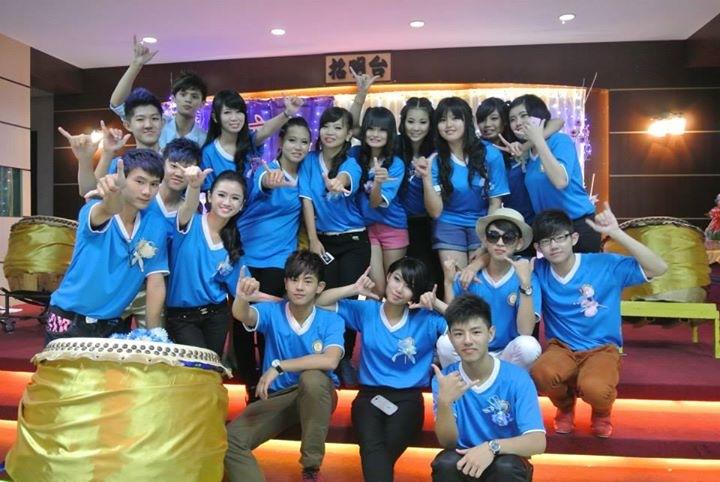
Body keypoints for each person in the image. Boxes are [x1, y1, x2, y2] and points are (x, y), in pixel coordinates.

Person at [529, 205, 667, 438]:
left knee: (595, 389)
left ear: (573, 238)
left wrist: (616, 233)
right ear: (538, 248)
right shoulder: (538, 269)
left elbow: (659, 268)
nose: (554, 246)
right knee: (541, 373)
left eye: (560, 238)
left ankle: (602, 412)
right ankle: (565, 407)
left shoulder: (604, 265)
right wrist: (475, 263)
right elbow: (502, 257)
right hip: (561, 348)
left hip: (601, 348)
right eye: (546, 241)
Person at [316, 258, 447, 482]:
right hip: (369, 396)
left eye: (409, 286)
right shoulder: (368, 310)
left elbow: (466, 323)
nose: (399, 289)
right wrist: (353, 289)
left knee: (380, 449)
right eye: (397, 279)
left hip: (408, 398)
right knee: (372, 445)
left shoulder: (427, 318)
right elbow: (319, 302)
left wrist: (437, 304)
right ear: (387, 277)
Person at [226, 250, 345, 482]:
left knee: (312, 378)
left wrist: (280, 366)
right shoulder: (273, 312)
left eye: (307, 281)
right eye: (293, 279)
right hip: (279, 397)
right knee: (231, 440)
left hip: (317, 395)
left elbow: (330, 360)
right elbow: (243, 315)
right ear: (285, 283)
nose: (299, 287)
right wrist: (241, 297)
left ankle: (311, 468)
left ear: (319, 287)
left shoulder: (331, 320)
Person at [45, 149, 169, 343]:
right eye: (139, 181)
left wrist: (154, 335)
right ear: (121, 179)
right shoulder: (92, 210)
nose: (147, 191)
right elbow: (107, 209)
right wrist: (112, 198)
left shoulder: (155, 225)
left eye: (154, 184)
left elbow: (155, 281)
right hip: (69, 318)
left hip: (114, 323)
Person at [431, 294, 546, 482]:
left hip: (504, 457)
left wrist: (491, 448)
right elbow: (447, 442)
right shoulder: (445, 380)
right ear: (450, 337)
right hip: (465, 459)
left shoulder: (517, 378)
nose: (467, 340)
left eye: (476, 332)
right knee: (446, 463)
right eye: (459, 334)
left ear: (490, 334)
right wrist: (445, 402)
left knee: (506, 467)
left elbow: (537, 441)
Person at [233, 117, 311, 395]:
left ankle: (270, 383)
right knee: (242, 321)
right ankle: (248, 382)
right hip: (247, 255)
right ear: (281, 142)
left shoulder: (307, 175)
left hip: (279, 259)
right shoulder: (266, 170)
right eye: (292, 140)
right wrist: (269, 181)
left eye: (304, 142)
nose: (298, 146)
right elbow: (262, 183)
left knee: (272, 320)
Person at [299, 106, 370, 386]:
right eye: (326, 126)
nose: (330, 132)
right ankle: (325, 354)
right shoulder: (309, 161)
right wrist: (313, 239)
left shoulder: (351, 161)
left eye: (338, 128)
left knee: (348, 302)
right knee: (323, 299)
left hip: (354, 240)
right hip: (323, 240)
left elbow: (346, 178)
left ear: (348, 134)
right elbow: (307, 200)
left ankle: (345, 359)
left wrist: (337, 182)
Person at [421, 97, 509, 289]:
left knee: (481, 285)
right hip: (449, 224)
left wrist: (486, 241)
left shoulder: (491, 154)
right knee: (457, 283)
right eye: (442, 120)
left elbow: (495, 203)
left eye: (455, 118)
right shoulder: (435, 160)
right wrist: (426, 178)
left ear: (467, 121)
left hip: (482, 224)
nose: (448, 125)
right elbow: (435, 212)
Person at [437, 208, 542, 370]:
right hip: (473, 348)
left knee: (529, 346)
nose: (500, 243)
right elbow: (452, 319)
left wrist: (525, 285)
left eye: (508, 238)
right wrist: (448, 282)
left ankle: (507, 383)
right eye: (493, 236)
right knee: (445, 342)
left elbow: (525, 331)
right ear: (485, 241)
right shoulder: (469, 275)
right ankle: (461, 384)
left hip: (507, 352)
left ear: (519, 243)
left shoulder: (527, 275)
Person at [165, 169, 245, 357]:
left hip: (217, 316)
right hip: (181, 318)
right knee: (198, 365)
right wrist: (194, 186)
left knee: (212, 368)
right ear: (209, 196)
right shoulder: (189, 222)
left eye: (235, 198)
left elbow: (239, 287)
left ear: (242, 205)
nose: (227, 202)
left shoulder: (233, 240)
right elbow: (189, 206)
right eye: (221, 195)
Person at [508, 94, 599, 252]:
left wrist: (538, 140)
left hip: (578, 225)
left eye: (523, 115)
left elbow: (560, 181)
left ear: (538, 117)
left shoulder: (560, 141)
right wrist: (528, 146)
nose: (518, 123)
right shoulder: (526, 154)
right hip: (549, 230)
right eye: (512, 119)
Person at [475, 97, 563, 228]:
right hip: (510, 221)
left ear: (505, 121)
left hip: (540, 218)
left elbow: (558, 122)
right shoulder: (478, 150)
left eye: (494, 118)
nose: (487, 124)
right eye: (482, 120)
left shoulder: (520, 139)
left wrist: (525, 146)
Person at [108, 36, 208, 149]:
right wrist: (136, 65)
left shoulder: (205, 139)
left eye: (194, 96)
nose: (188, 100)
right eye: (183, 94)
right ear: (173, 98)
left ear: (202, 103)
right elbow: (117, 104)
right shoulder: (157, 122)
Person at [352, 107, 407, 295]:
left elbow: (375, 203)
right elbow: (348, 126)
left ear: (390, 134)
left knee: (394, 287)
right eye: (371, 128)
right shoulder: (354, 154)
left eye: (382, 130)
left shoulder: (396, 164)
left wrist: (377, 182)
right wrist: (360, 95)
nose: (376, 134)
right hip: (366, 229)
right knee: (377, 289)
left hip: (393, 227)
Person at [200, 90, 304, 190]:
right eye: (227, 112)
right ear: (215, 117)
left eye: (239, 112)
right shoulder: (208, 153)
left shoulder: (250, 141)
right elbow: (209, 191)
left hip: (257, 202)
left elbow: (265, 130)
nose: (234, 118)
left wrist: (287, 113)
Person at [396, 97, 444, 296]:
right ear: (403, 122)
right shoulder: (394, 146)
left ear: (431, 124)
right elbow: (357, 130)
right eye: (411, 121)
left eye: (423, 122)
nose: (416, 128)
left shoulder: (437, 152)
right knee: (400, 281)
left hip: (428, 224)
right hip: (397, 223)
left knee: (429, 279)